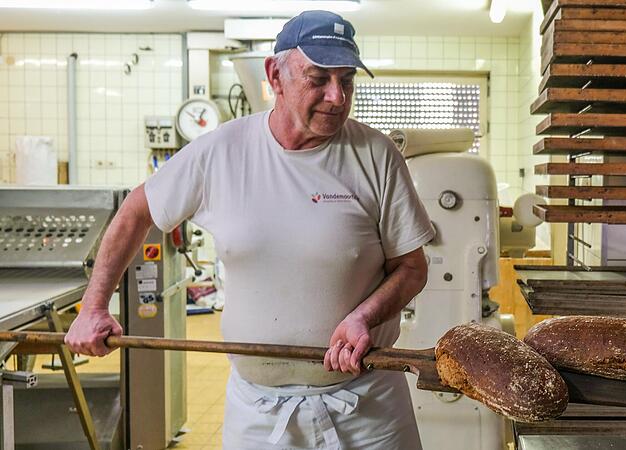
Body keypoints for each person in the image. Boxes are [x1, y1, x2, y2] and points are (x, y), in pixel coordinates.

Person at [65, 10, 434, 450]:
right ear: (275, 76)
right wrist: (93, 307)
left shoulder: (376, 154)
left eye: (347, 80)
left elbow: (412, 268)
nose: (337, 97)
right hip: (260, 416)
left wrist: (364, 317)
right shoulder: (220, 151)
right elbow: (134, 211)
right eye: (318, 79)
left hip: (367, 410)